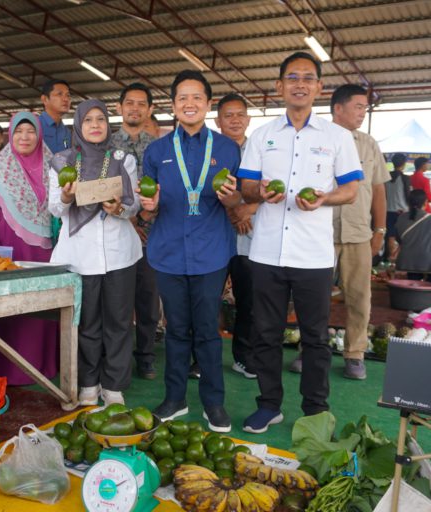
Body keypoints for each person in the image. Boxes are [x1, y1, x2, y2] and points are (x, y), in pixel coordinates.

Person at [239, 52, 362, 433]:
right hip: (267, 251)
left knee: (315, 337)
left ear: (319, 88)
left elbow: (352, 189)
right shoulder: (263, 135)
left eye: (308, 78)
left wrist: (324, 198)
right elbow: (245, 186)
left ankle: (315, 411)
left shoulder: (337, 137)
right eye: (292, 77)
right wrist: (259, 191)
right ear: (279, 86)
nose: (300, 84)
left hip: (313, 254)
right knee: (265, 333)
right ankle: (268, 404)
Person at [140, 70, 242, 432]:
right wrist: (147, 207)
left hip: (211, 253)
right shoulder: (157, 151)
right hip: (168, 252)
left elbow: (240, 200)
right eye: (182, 98)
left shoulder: (228, 148)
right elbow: (145, 205)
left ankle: (214, 404)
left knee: (208, 332)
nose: (189, 104)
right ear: (173, 106)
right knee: (176, 330)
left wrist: (235, 199)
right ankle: (175, 399)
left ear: (207, 104)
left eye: (196, 97)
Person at [50, 99, 141, 406]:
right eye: (88, 120)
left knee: (118, 322)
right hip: (79, 255)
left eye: (100, 119)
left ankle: (114, 385)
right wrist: (64, 196)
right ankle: (89, 383)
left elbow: (135, 204)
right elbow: (53, 207)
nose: (95, 125)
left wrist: (120, 208)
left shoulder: (122, 158)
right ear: (78, 124)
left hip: (120, 254)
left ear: (107, 123)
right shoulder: (61, 161)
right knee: (87, 322)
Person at [0, 112, 59, 385]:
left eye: (30, 131)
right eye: (19, 131)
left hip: (46, 253)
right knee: (9, 308)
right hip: (8, 252)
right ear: (11, 134)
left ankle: (43, 365)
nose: (24, 137)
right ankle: (6, 369)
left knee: (41, 307)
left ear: (39, 134)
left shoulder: (52, 166)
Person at [327, 84, 389, 380]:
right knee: (313, 296)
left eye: (365, 107)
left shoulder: (368, 144)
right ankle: (311, 349)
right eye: (359, 106)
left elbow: (378, 190)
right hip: (319, 233)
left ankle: (355, 354)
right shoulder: (317, 140)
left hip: (358, 233)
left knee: (359, 296)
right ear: (338, 108)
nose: (363, 112)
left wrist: (380, 229)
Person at [110, 83, 159, 380]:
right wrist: (127, 218)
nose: (135, 108)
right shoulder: (105, 145)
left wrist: (145, 214)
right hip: (116, 231)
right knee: (117, 301)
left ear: (150, 110)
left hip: (153, 235)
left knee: (148, 299)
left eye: (142, 104)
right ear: (119, 108)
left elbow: (166, 184)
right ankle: (116, 357)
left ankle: (146, 356)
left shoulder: (159, 146)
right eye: (129, 103)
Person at [215, 93, 256, 379]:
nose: (235, 120)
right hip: (215, 236)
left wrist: (247, 209)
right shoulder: (210, 150)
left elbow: (271, 187)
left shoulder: (261, 149)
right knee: (207, 300)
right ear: (218, 121)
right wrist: (233, 213)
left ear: (248, 119)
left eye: (240, 114)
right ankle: (201, 359)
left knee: (248, 300)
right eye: (228, 115)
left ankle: (244, 357)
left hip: (249, 238)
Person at [394, 189, 431, 283]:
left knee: (412, 291)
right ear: (425, 202)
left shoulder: (401, 218)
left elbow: (399, 239)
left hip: (409, 263)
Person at [384, 153, 411, 262]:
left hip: (388, 210)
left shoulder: (386, 177)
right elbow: (408, 195)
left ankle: (392, 259)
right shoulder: (405, 178)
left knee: (391, 236)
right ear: (404, 164)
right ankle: (402, 259)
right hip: (402, 211)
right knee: (405, 237)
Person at [39, 79, 72, 153]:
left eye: (68, 95)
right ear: (44, 99)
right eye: (59, 94)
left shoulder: (67, 132)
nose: (66, 99)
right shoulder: (33, 127)